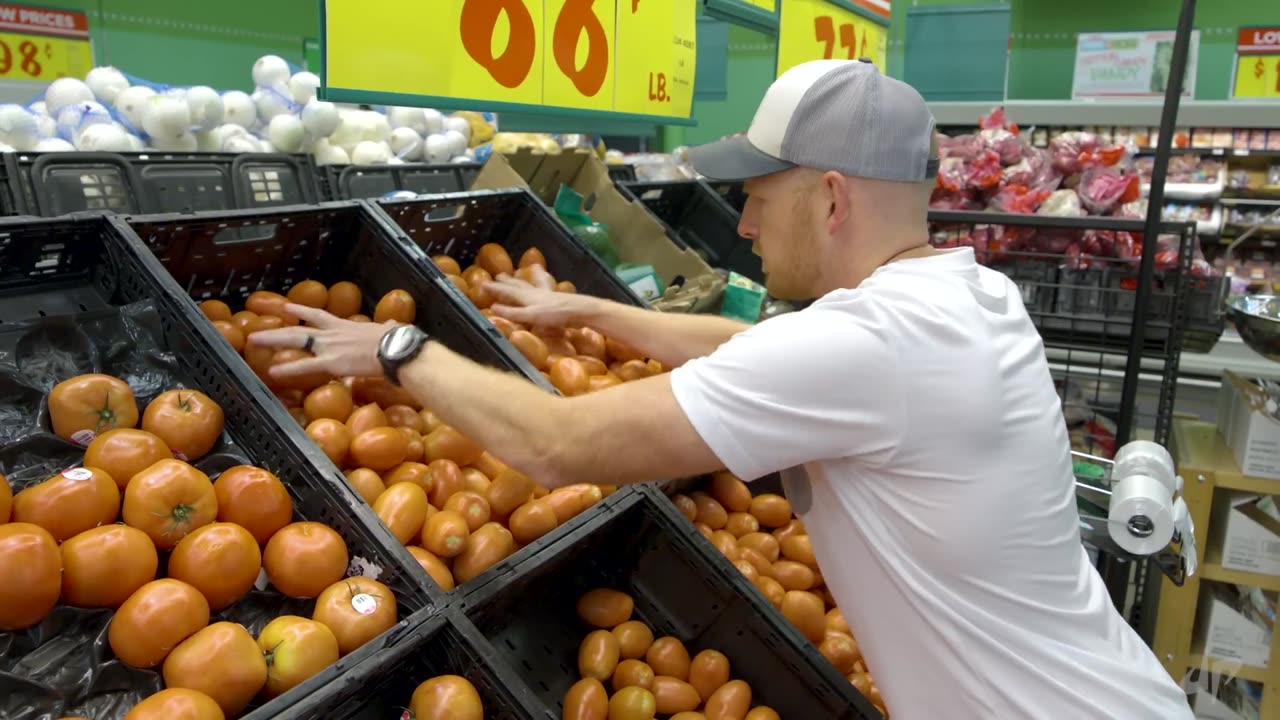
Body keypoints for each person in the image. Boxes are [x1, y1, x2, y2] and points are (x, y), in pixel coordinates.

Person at [249, 60, 1194, 719]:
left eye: (759, 195)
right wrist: (600, 312)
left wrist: (399, 348)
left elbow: (558, 446)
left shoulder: (876, 343)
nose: (740, 224)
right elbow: (761, 345)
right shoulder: (963, 294)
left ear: (831, 198)